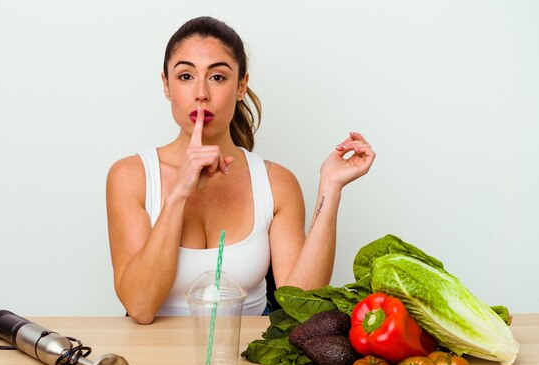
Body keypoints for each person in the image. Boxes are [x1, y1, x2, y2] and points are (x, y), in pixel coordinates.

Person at [106, 16, 375, 324]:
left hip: (248, 359)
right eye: (185, 76)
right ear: (166, 86)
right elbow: (140, 306)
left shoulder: (277, 182)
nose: (201, 93)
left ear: (241, 86)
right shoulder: (130, 176)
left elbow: (300, 302)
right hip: (155, 361)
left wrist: (330, 188)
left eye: (218, 77)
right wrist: (179, 194)